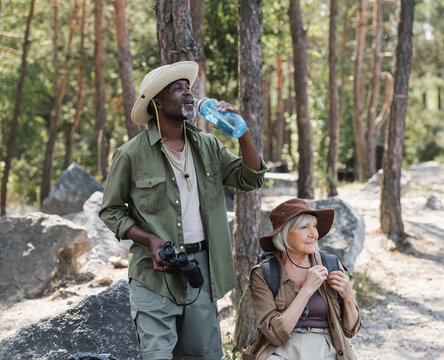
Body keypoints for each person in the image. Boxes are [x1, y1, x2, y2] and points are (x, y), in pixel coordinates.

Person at [99, 61, 266, 360]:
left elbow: (250, 178)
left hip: (199, 272)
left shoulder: (207, 146)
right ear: (157, 102)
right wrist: (150, 241)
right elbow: (111, 211)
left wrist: (243, 133)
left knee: (204, 355)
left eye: (188, 88)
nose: (188, 93)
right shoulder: (130, 154)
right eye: (177, 89)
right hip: (153, 275)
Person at [244, 198, 360, 360]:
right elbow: (274, 334)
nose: (314, 234)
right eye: (304, 227)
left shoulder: (331, 263)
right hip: (280, 349)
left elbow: (350, 331)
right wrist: (306, 290)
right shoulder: (264, 273)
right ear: (284, 234)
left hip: (326, 346)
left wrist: (348, 297)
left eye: (314, 226)